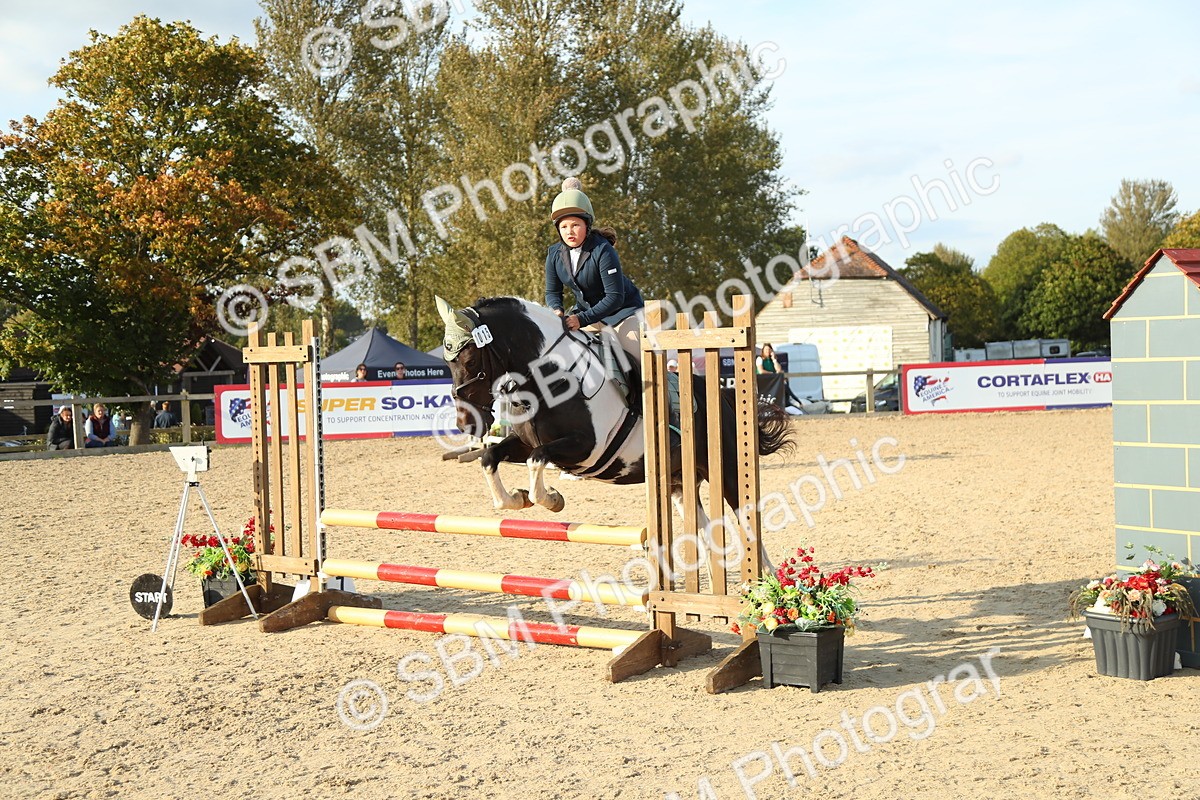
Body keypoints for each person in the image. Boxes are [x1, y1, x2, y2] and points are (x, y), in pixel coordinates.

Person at [544, 177, 644, 392]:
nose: (569, 231)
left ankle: (650, 406)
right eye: (564, 227)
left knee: (637, 357)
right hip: (587, 315)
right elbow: (552, 292)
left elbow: (614, 297)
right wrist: (557, 311)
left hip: (622, 314)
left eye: (575, 225)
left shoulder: (603, 250)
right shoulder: (554, 254)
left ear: (587, 226)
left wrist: (581, 319)